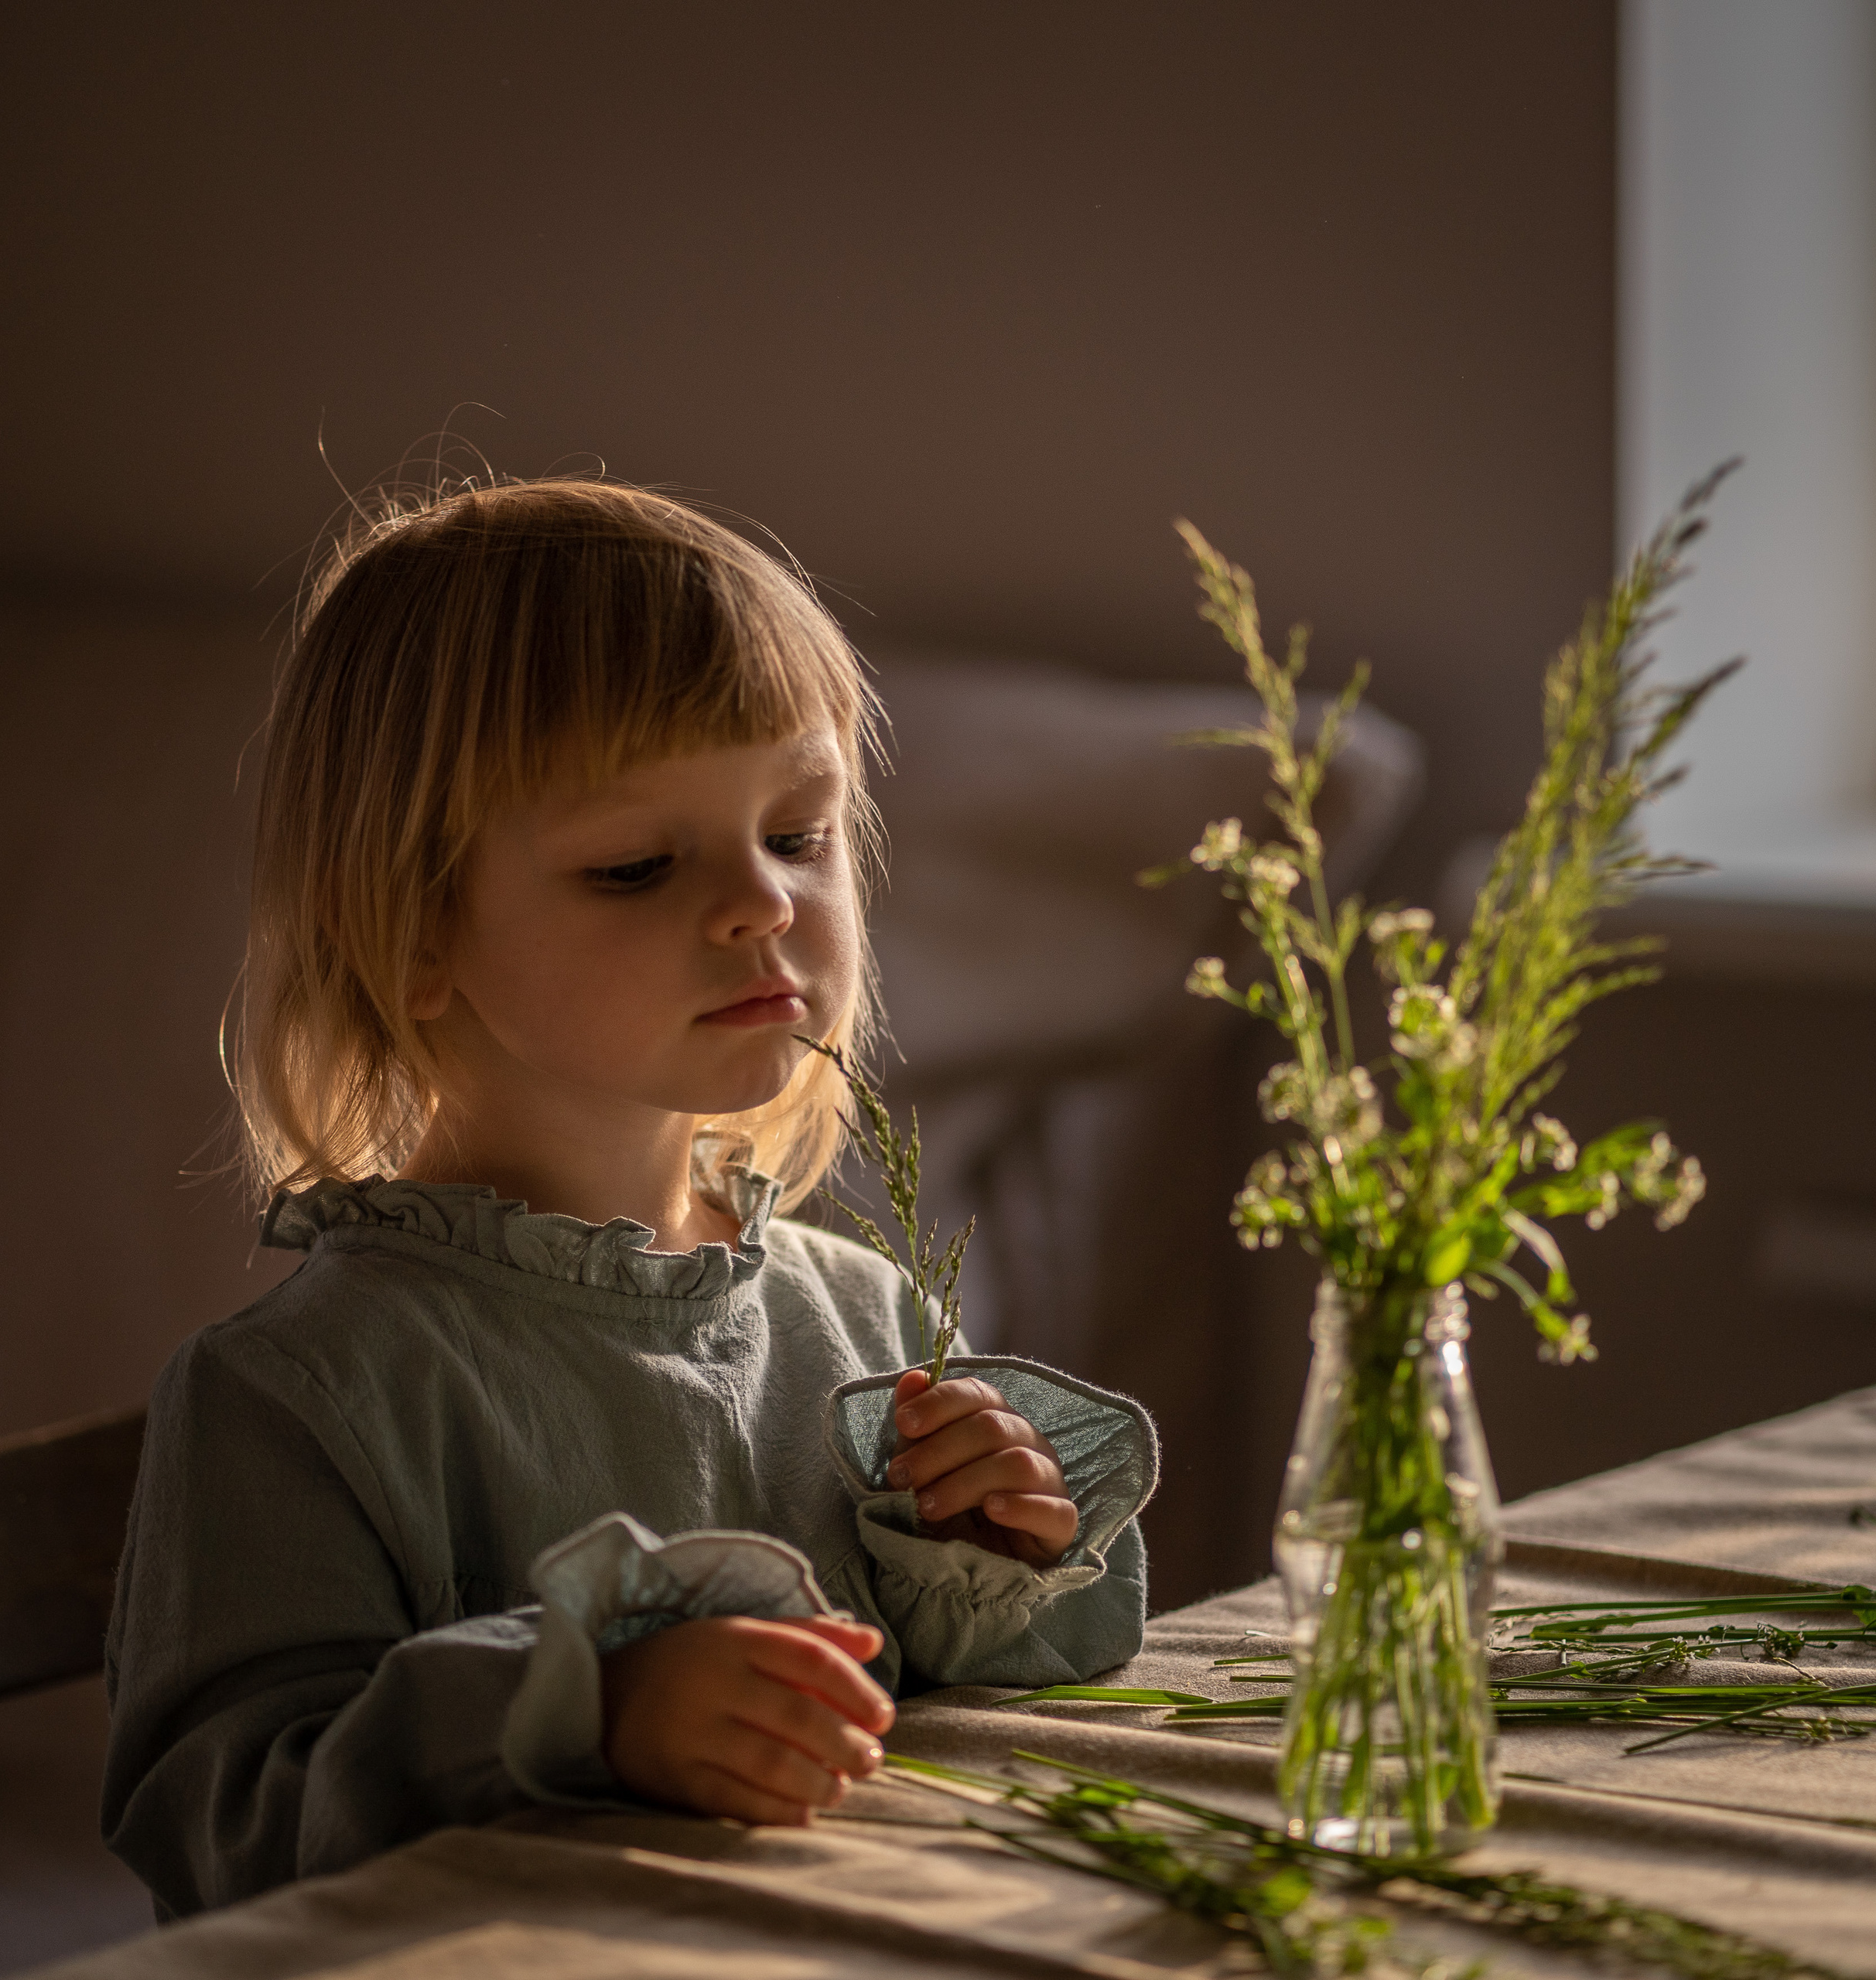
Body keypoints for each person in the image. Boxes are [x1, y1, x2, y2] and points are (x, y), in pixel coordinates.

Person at [101, 479, 1158, 1919]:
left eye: (799, 834)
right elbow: (219, 1823)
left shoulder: (859, 1314)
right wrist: (586, 1708)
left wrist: (988, 1552)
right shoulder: (300, 1395)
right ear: (408, 937)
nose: (763, 904)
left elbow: (984, 1713)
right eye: (638, 864)